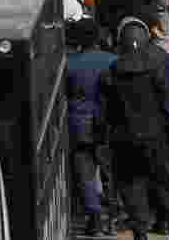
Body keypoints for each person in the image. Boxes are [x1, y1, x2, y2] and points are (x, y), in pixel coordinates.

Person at [99, 16, 169, 240]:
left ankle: (140, 233)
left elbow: (107, 114)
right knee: (165, 188)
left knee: (132, 191)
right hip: (156, 140)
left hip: (125, 143)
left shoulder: (111, 74)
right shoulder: (156, 69)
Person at [66, 17, 116, 237]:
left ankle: (94, 218)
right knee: (110, 173)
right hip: (108, 125)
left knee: (85, 174)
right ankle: (113, 218)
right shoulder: (113, 61)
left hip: (80, 125)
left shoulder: (69, 63)